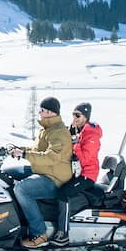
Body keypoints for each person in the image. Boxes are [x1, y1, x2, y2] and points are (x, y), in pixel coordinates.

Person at [9, 97, 73, 248]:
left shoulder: (59, 133)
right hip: (45, 171)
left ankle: (39, 233)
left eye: (42, 110)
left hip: (55, 178)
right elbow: (37, 151)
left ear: (50, 112)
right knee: (9, 174)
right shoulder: (47, 129)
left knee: (22, 189)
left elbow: (51, 157)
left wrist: (24, 155)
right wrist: (19, 149)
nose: (39, 112)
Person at [51, 102, 104, 243]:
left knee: (63, 193)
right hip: (76, 172)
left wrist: (74, 142)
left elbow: (85, 158)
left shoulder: (91, 135)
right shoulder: (78, 130)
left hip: (87, 175)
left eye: (78, 115)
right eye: (73, 114)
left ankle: (63, 233)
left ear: (86, 116)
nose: (75, 118)